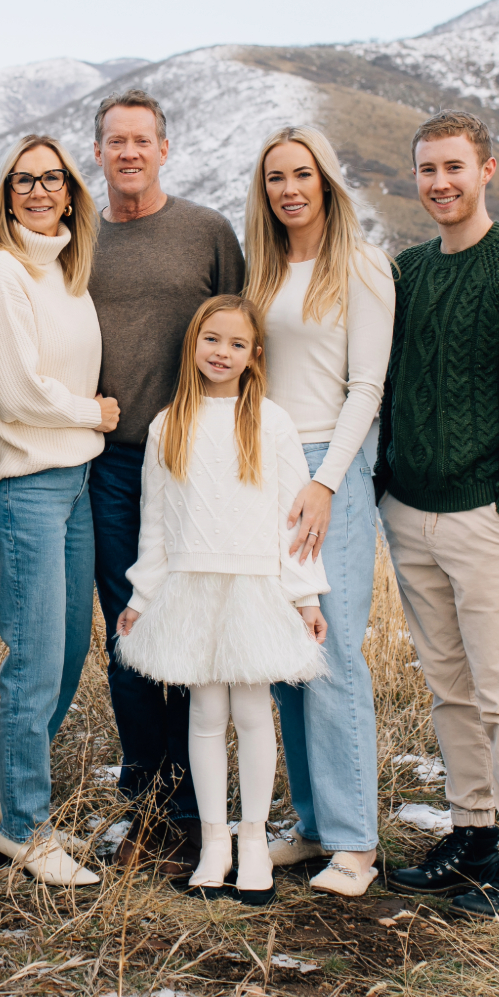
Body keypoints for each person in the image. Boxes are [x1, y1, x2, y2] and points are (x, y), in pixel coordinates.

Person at [0, 89, 246, 878]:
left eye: (142, 140)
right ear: (98, 153)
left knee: (191, 626)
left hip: (193, 461)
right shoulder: (60, 252)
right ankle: (146, 805)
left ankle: (199, 809)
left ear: (164, 147)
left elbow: (242, 330)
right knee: (125, 639)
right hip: (103, 465)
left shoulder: (197, 233)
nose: (128, 152)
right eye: (114, 141)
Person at [375, 110, 499, 919]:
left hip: (484, 517)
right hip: (408, 511)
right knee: (448, 690)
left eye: (454, 167)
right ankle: (473, 832)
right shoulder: (408, 272)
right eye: (426, 170)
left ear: (487, 170)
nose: (440, 183)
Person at [116, 296, 328, 905]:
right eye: (212, 340)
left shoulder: (270, 421)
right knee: (205, 717)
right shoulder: (168, 424)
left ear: (254, 355)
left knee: (253, 712)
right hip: (190, 587)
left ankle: (254, 842)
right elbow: (154, 522)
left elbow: (296, 520)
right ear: (193, 344)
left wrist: (306, 598)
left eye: (237, 344)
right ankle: (214, 842)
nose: (222, 353)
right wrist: (142, 594)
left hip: (254, 586)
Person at [245, 126, 395, 898]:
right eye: (276, 177)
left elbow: (366, 389)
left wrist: (327, 482)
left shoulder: (361, 268)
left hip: (325, 469)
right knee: (285, 660)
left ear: (327, 182)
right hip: (266, 466)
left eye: (302, 174)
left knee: (332, 653)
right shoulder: (263, 270)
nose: (289, 188)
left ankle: (356, 844)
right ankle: (310, 826)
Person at [0, 133, 117, 886]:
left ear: (68, 191)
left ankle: (5, 793)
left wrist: (84, 428)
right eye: (23, 180)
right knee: (33, 660)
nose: (37, 190)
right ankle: (26, 830)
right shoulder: (0, 270)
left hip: (74, 486)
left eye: (50, 179)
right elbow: (19, 388)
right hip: (22, 485)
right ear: (7, 192)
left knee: (63, 657)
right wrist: (93, 413)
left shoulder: (68, 271)